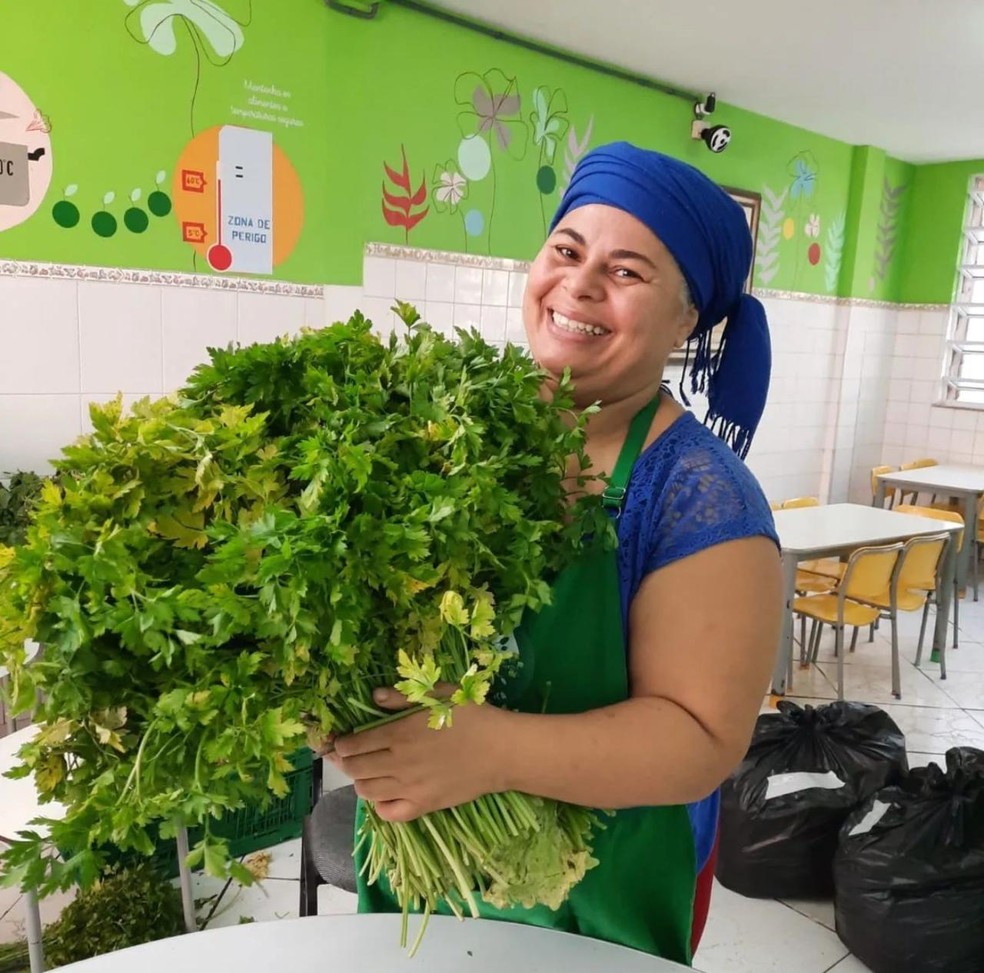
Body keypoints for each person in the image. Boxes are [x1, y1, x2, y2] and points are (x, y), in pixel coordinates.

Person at [329, 142, 784, 965]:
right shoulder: (443, 426)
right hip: (422, 867)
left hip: (594, 898)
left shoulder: (699, 498)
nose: (580, 283)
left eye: (629, 271)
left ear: (687, 319)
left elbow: (702, 741)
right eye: (567, 251)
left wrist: (486, 749)